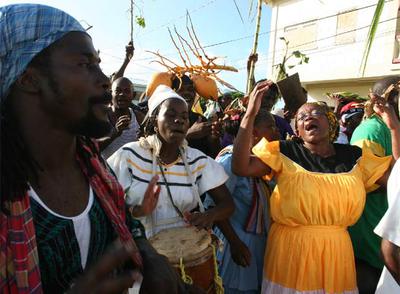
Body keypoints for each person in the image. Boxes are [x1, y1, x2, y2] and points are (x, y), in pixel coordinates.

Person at [0, 4, 190, 293]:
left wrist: (149, 256)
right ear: (29, 79)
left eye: (99, 64)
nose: (105, 80)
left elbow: (126, 222)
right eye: (84, 64)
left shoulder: (92, 166)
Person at [232, 80, 395, 293]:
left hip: (337, 252)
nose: (307, 117)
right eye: (301, 117)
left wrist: (393, 127)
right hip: (291, 252)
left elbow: (396, 179)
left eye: (316, 113)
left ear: (330, 122)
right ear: (298, 130)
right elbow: (241, 166)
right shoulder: (284, 151)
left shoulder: (355, 157)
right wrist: (250, 115)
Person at [107, 85, 234, 237]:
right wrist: (139, 211)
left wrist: (209, 216)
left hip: (184, 250)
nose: (179, 120)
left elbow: (228, 204)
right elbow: (105, 204)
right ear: (154, 121)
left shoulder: (197, 161)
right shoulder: (129, 156)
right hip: (139, 249)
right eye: (171, 114)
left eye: (184, 116)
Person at [207, 109, 280, 293]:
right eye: (270, 127)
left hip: (257, 246)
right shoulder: (229, 161)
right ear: (253, 132)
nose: (276, 132)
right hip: (235, 247)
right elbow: (214, 206)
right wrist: (235, 243)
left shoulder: (264, 162)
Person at [349, 76, 400, 293]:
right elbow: (372, 177)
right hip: (372, 230)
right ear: (388, 99)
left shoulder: (393, 127)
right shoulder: (370, 130)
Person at [98, 76, 145, 159]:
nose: (122, 94)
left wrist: (143, 140)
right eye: (118, 91)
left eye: (127, 91)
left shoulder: (139, 117)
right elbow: (91, 149)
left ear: (133, 95)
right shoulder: (101, 116)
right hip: (105, 170)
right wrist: (114, 133)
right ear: (110, 94)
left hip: (130, 171)